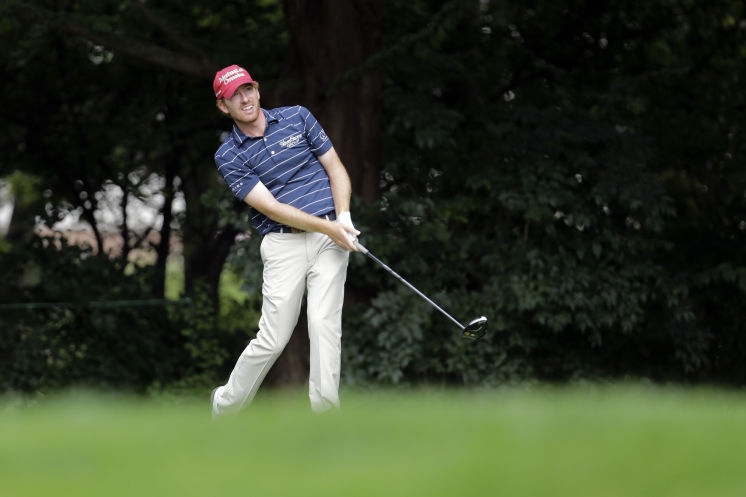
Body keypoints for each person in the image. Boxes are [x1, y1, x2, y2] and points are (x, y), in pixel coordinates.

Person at [209, 64, 360, 415]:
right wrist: (330, 228)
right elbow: (273, 208)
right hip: (283, 244)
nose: (244, 98)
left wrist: (344, 217)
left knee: (324, 323)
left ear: (257, 90)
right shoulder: (228, 155)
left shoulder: (298, 117)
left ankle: (325, 418)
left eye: (248, 89)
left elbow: (335, 168)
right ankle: (225, 405)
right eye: (234, 95)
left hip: (329, 236)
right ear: (223, 106)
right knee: (273, 339)